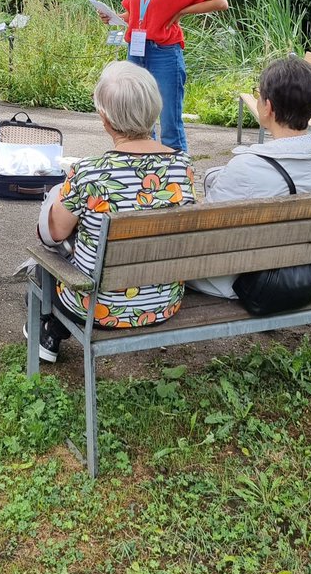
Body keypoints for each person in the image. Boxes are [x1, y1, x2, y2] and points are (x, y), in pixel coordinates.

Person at [31, 61, 196, 362]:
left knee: (46, 262)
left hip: (99, 308)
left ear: (104, 119)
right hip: (163, 302)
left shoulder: (88, 173)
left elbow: (53, 234)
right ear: (154, 109)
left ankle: (49, 330)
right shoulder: (184, 167)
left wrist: (58, 195)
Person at [188, 57, 311, 305]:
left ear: (268, 107)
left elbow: (206, 234)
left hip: (238, 280)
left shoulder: (248, 166)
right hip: (303, 271)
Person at [103, 0, 227, 151]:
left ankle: (178, 176)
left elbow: (220, 2)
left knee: (169, 121)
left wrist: (182, 11)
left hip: (164, 53)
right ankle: (145, 174)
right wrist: (113, 17)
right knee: (138, 120)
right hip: (136, 52)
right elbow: (135, 14)